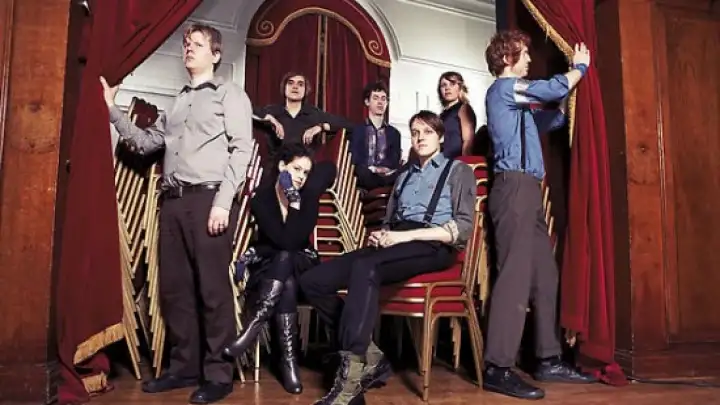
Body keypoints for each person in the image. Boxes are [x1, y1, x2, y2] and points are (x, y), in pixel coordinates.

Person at [101, 23, 254, 404]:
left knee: (213, 290)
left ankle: (218, 375)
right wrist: (111, 109)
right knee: (176, 290)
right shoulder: (177, 102)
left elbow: (242, 149)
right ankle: (184, 367)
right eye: (186, 43)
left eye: (197, 44)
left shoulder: (231, 94)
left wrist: (223, 202)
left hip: (209, 200)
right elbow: (144, 143)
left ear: (215, 55)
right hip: (172, 202)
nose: (189, 48)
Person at [299, 110, 477, 405]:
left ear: (441, 137)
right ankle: (370, 356)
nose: (420, 138)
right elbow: (390, 222)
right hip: (397, 242)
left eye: (427, 132)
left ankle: (351, 383)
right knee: (313, 280)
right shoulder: (404, 175)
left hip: (435, 245)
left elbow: (462, 228)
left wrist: (403, 237)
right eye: (415, 133)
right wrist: (382, 235)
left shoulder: (458, 172)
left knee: (366, 267)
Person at [482, 29, 597, 400]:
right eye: (524, 54)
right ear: (507, 58)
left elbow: (547, 122)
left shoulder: (518, 102)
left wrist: (567, 102)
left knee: (545, 275)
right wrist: (579, 68)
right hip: (513, 188)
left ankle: (548, 358)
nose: (530, 60)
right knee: (514, 278)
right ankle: (497, 367)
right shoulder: (503, 89)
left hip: (529, 189)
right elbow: (549, 89)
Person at [222, 143, 336, 394]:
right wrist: (259, 253)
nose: (301, 176)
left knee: (286, 258)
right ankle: (289, 363)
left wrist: (294, 201)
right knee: (286, 281)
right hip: (272, 271)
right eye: (296, 169)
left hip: (303, 267)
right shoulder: (262, 200)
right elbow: (282, 241)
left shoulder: (308, 196)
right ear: (282, 166)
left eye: (306, 172)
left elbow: (291, 241)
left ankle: (252, 327)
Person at [253, 72, 353, 154]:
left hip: (306, 167)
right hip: (277, 165)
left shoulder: (314, 113)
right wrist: (270, 119)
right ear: (284, 88)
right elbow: (248, 113)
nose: (295, 87)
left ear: (305, 91)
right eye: (290, 83)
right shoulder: (273, 110)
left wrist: (321, 127)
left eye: (300, 84)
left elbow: (349, 126)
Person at [349, 81, 403, 190]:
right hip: (365, 176)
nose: (380, 102)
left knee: (404, 171)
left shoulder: (394, 133)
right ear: (367, 102)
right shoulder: (358, 130)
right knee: (361, 172)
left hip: (387, 175)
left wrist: (381, 169)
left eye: (383, 99)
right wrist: (372, 169)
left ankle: (380, 184)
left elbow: (394, 160)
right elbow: (355, 159)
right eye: (376, 98)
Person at [438, 71, 477, 158]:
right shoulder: (442, 115)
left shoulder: (464, 108)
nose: (447, 88)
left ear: (459, 87)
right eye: (443, 85)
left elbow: (468, 141)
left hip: (456, 160)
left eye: (452, 84)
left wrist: (464, 163)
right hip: (442, 160)